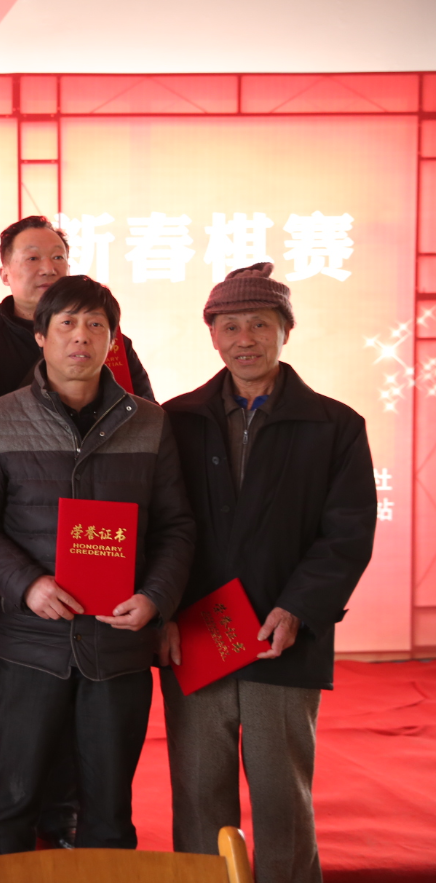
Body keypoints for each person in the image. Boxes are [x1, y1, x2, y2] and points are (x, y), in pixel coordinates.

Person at [0, 275, 194, 856]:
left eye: (95, 325)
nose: (81, 337)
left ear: (113, 340)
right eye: (66, 323)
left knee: (109, 808)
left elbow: (176, 526)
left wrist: (156, 598)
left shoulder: (149, 422)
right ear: (40, 335)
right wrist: (27, 585)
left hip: (118, 643)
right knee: (11, 799)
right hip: (28, 641)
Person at [160, 263, 376, 883]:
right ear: (212, 336)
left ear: (286, 331)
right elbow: (159, 526)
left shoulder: (335, 426)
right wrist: (165, 611)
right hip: (196, 634)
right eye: (230, 326)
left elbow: (347, 533)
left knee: (283, 799)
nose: (245, 339)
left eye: (259, 324)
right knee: (199, 794)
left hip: (281, 636)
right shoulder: (177, 420)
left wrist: (299, 607)